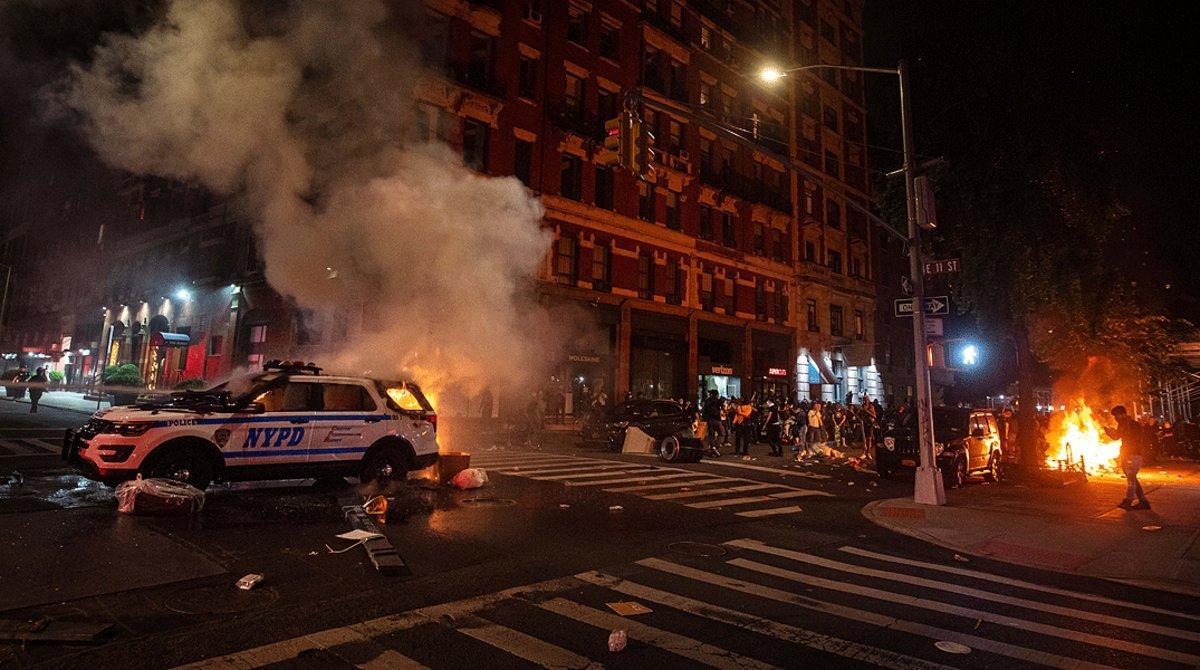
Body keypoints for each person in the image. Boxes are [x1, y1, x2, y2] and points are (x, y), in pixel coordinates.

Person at [1107, 405, 1150, 510]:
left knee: (1131, 478)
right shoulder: (1128, 424)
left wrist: (1111, 433)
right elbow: (1120, 436)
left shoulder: (1127, 424)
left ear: (1121, 414)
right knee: (1133, 478)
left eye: (1116, 416)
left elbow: (1120, 436)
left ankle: (1128, 500)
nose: (1115, 418)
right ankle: (1143, 501)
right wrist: (1111, 433)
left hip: (1131, 454)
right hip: (1131, 453)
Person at [702, 390, 725, 456]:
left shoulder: (707, 401)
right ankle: (715, 446)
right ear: (716, 394)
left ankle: (712, 448)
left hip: (709, 420)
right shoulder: (717, 400)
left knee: (711, 435)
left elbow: (704, 410)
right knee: (722, 433)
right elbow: (722, 405)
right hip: (716, 419)